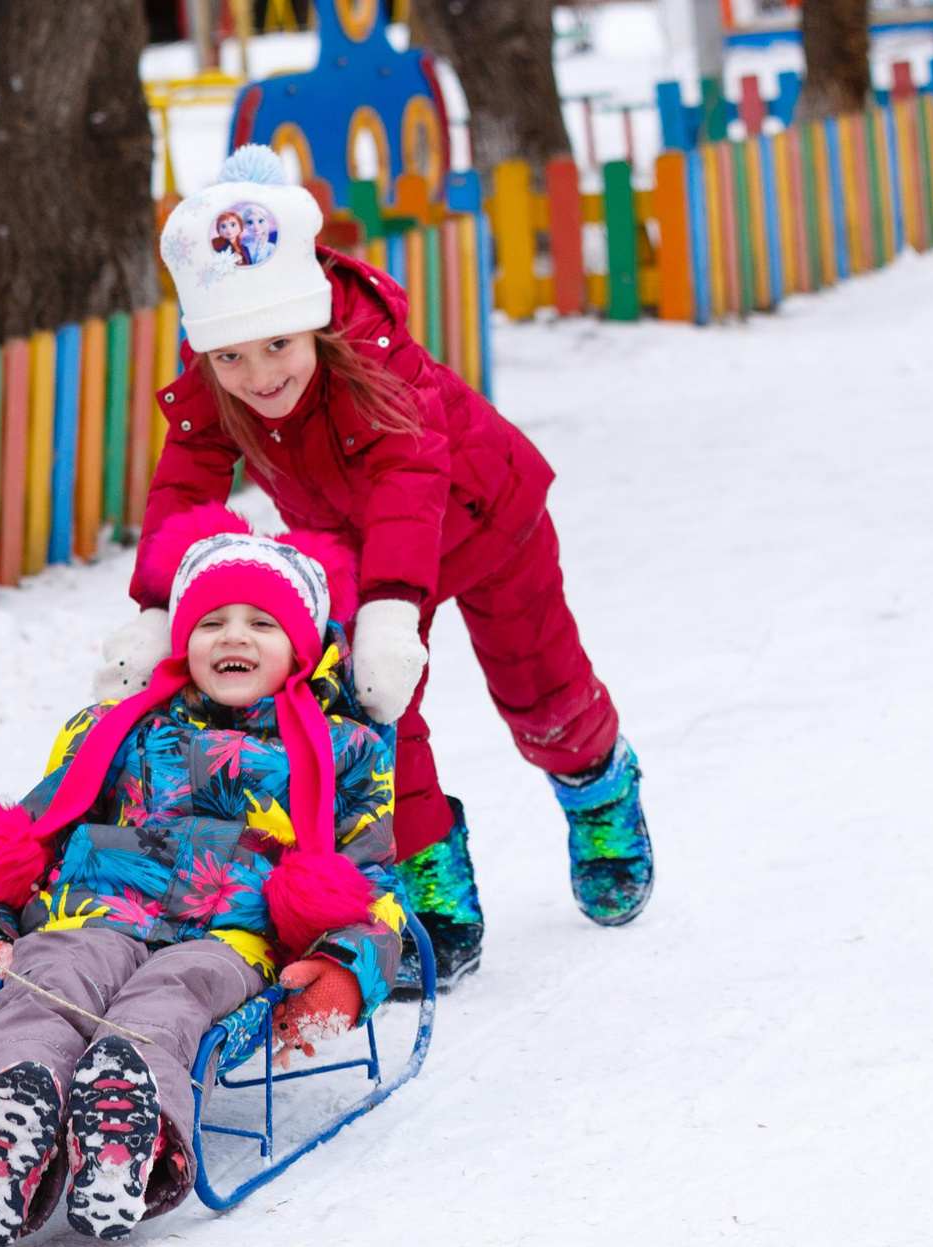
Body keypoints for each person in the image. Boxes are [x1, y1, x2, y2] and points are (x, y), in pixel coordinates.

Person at [128, 146, 655, 988]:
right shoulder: (218, 380)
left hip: (488, 520)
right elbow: (183, 485)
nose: (260, 377)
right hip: (355, 552)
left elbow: (411, 479)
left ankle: (597, 789)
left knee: (539, 690)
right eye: (231, 357)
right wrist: (157, 608)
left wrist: (392, 608)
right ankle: (432, 886)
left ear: (310, 321)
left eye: (276, 346)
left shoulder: (373, 360)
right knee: (374, 710)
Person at [0, 516, 401, 1246]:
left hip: (229, 935)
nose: (233, 637)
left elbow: (372, 881)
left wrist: (344, 969)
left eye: (261, 622)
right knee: (44, 981)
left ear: (304, 647)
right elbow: (30, 832)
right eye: (211, 620)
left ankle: (127, 1130)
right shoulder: (117, 726)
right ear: (183, 639)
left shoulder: (344, 748)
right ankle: (8, 1122)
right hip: (94, 913)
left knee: (167, 999)